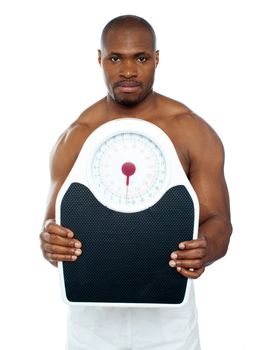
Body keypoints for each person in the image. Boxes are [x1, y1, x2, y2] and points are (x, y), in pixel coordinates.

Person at [40, 15, 232, 350]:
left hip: (168, 321)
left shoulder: (190, 130)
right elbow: (52, 224)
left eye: (140, 58)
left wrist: (206, 247)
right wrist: (50, 242)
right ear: (100, 59)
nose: (128, 71)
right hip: (93, 321)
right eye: (116, 58)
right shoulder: (77, 135)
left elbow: (219, 222)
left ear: (156, 59)